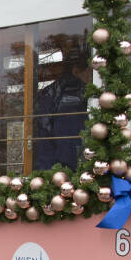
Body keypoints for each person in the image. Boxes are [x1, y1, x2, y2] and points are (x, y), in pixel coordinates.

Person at [33, 35, 90, 170]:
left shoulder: (54, 93)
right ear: (77, 70)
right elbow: (66, 141)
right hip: (67, 169)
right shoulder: (71, 95)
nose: (92, 76)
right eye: (90, 71)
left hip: (54, 167)